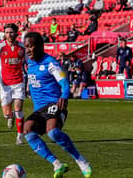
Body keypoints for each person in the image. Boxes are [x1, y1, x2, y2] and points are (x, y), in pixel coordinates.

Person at [23, 32, 92, 178]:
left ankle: (81, 161)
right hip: (39, 109)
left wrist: (65, 95)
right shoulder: (29, 63)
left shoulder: (50, 63)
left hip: (54, 103)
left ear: (40, 46)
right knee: (27, 131)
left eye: (30, 46)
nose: (28, 50)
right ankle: (57, 164)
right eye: (26, 47)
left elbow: (64, 81)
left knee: (53, 132)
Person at [0, 23, 27, 145]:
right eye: (7, 32)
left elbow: (29, 63)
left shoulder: (22, 48)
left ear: (16, 33)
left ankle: (20, 136)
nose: (9, 34)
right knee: (7, 113)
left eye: (11, 32)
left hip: (19, 81)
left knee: (18, 108)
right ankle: (10, 117)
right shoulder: (0, 48)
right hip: (5, 84)